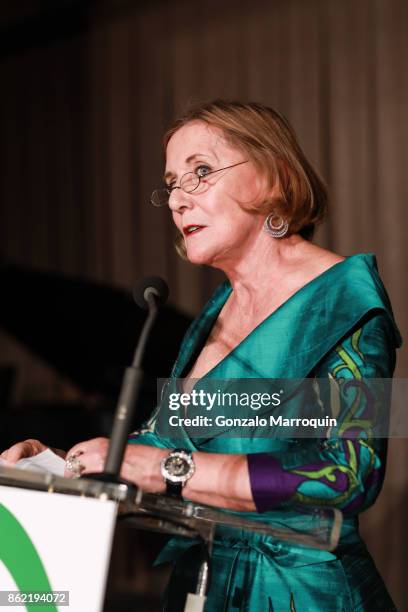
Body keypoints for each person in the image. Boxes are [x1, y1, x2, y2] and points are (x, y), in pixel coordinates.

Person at [1, 100, 402, 611]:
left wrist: (169, 469)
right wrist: (59, 466)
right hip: (204, 584)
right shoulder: (213, 315)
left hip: (301, 594)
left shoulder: (344, 298)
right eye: (171, 183)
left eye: (201, 173)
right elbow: (159, 444)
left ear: (274, 177)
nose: (176, 200)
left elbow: (351, 470)